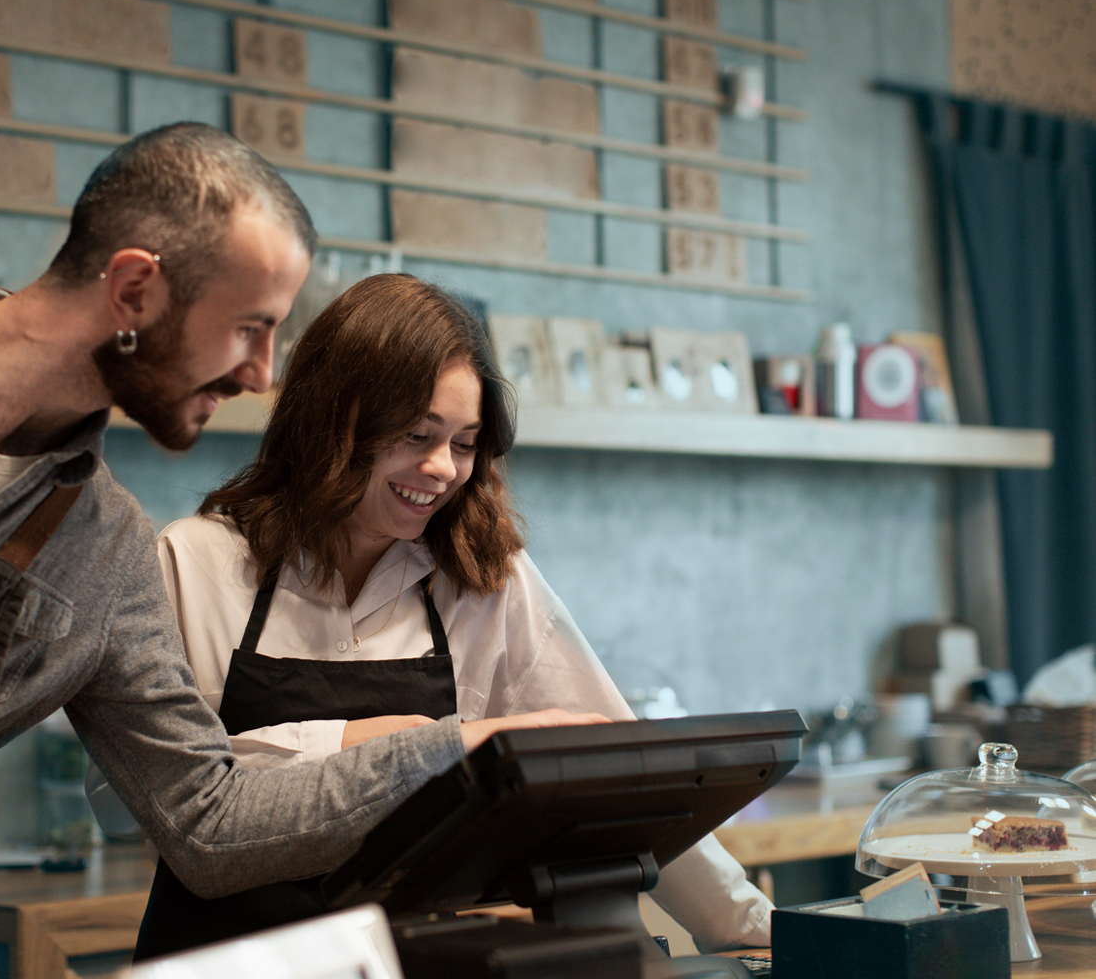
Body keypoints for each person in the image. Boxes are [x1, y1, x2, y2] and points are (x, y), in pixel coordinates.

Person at [0, 123, 602, 978]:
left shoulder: (108, 553)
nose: (261, 376)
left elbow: (207, 822)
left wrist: (454, 749)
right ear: (134, 290)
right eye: (250, 330)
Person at [138, 272, 775, 958]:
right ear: (333, 419)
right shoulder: (193, 564)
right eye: (417, 434)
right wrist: (394, 742)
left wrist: (758, 931)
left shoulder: (483, 577)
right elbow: (157, 805)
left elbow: (625, 781)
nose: (442, 467)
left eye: (465, 443)